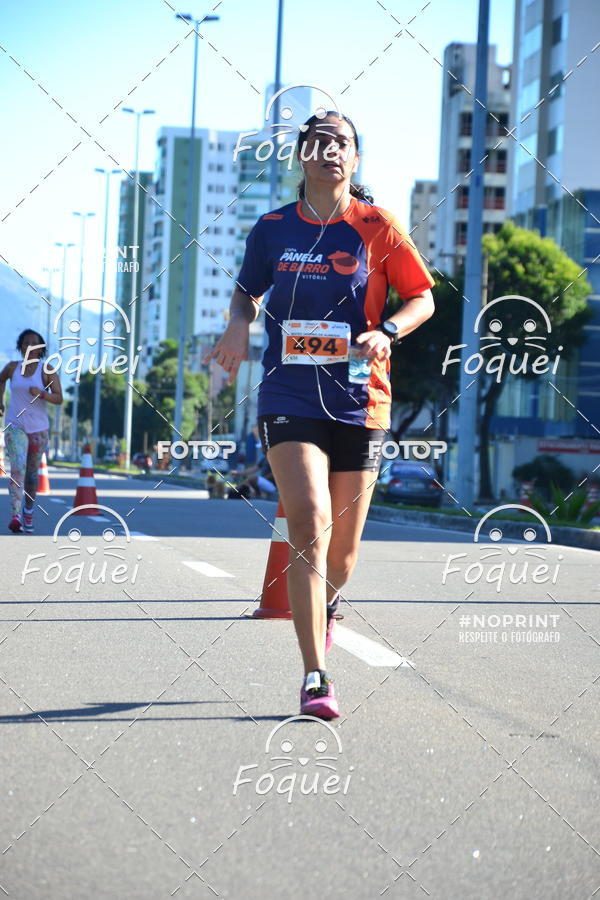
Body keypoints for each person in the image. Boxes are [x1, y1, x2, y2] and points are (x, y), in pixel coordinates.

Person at [204, 112, 435, 719]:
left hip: (361, 398)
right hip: (289, 395)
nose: (331, 150)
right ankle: (315, 675)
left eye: (343, 143)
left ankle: (329, 606)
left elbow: (423, 297)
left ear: (355, 160)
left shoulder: (377, 227)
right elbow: (247, 291)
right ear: (301, 156)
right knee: (308, 522)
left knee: (343, 556)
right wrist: (236, 324)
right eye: (319, 142)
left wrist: (387, 331)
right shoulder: (273, 228)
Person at [0, 329, 63, 533]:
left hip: (38, 429)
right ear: (20, 347)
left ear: (40, 349)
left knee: (32, 475)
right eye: (26, 343)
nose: (29, 346)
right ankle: (15, 515)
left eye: (34, 343)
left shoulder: (47, 370)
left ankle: (28, 511)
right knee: (17, 468)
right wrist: (0, 401)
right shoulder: (12, 368)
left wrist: (42, 394)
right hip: (15, 426)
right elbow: (0, 380)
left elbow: (59, 398)